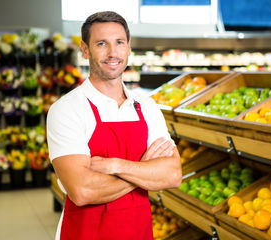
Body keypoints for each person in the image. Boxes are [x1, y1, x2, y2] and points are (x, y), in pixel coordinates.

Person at [47, 11, 182, 240]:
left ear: (128, 47)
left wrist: (116, 165)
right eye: (101, 43)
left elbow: (172, 175)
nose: (113, 53)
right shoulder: (66, 109)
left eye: (119, 42)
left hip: (137, 232)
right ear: (85, 49)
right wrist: (144, 168)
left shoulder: (147, 108)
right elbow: (82, 191)